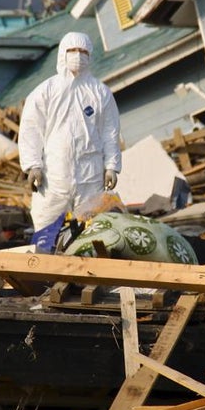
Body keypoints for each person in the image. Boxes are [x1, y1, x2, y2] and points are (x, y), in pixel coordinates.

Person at [18, 31, 121, 249]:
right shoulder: (46, 91)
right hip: (54, 174)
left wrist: (112, 166)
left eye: (83, 51)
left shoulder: (100, 93)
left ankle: (87, 269)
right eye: (72, 51)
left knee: (90, 225)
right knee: (46, 221)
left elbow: (110, 132)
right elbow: (31, 128)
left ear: (90, 55)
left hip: (90, 173)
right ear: (62, 54)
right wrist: (33, 165)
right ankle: (45, 268)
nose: (78, 56)